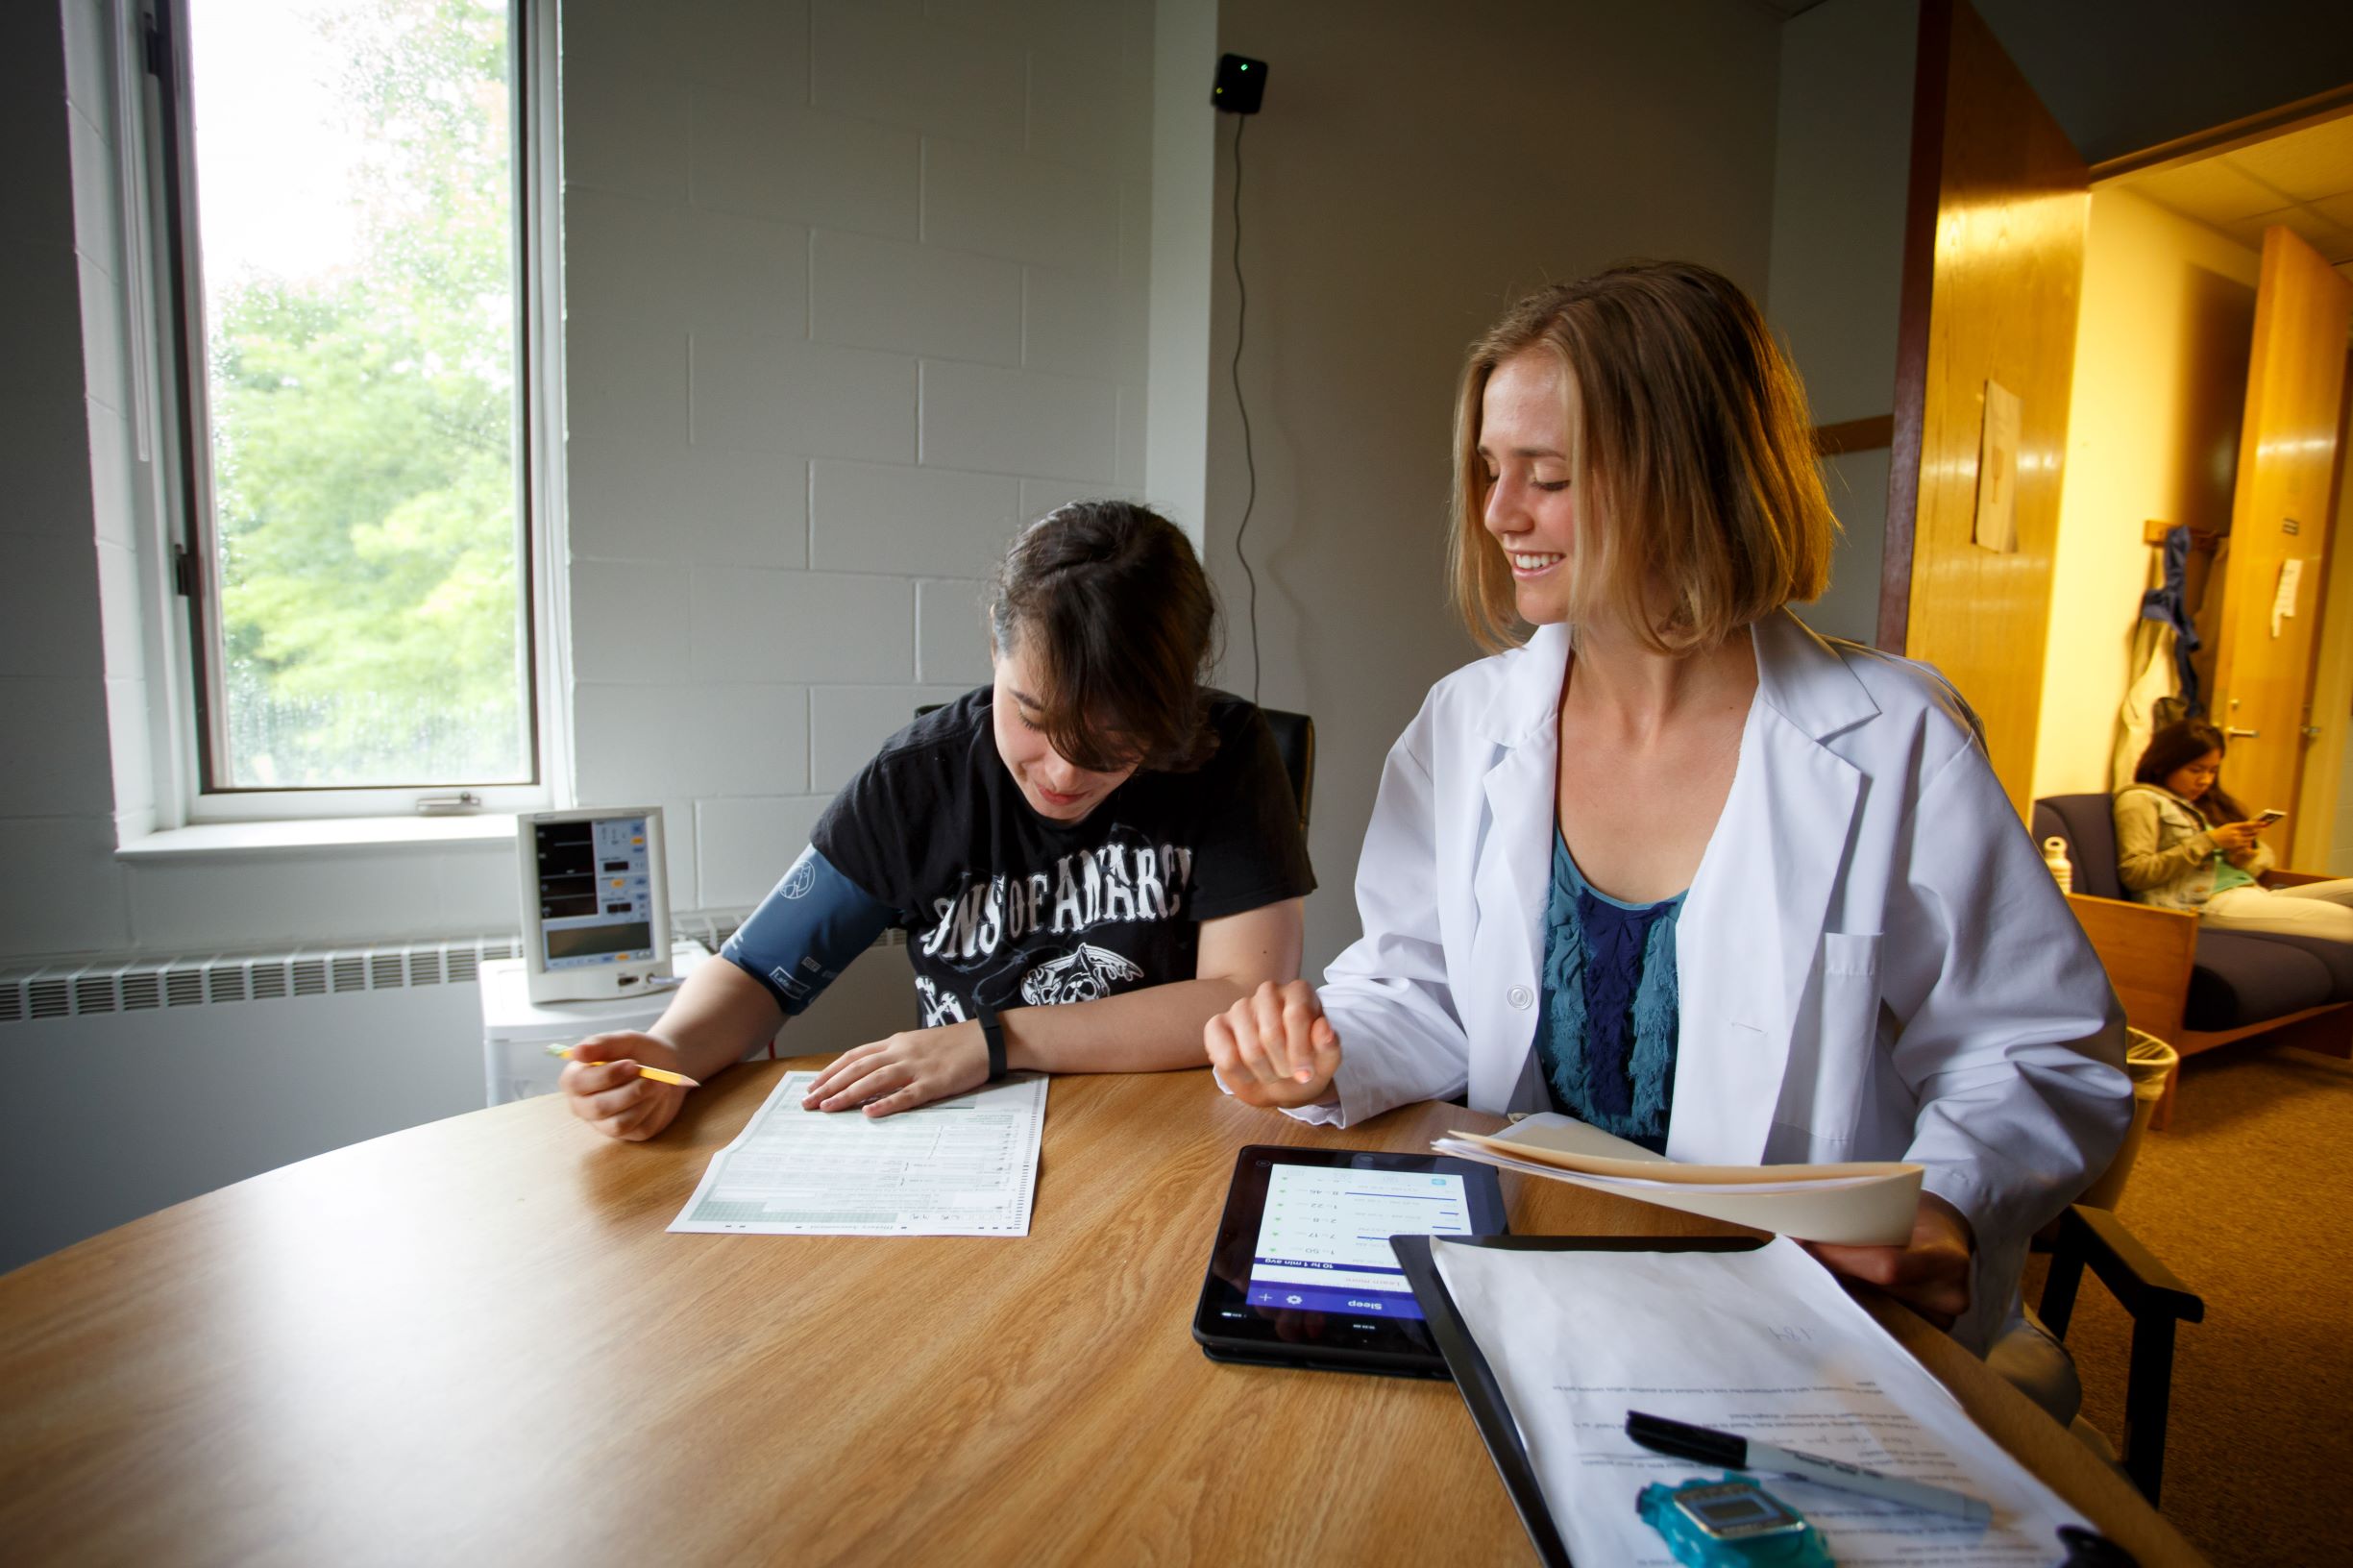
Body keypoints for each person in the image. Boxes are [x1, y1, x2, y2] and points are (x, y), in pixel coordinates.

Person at [1204, 261, 2129, 1355]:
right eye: (1490, 469)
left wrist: (1953, 1201)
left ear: (1684, 478)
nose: (1498, 512)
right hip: (1536, 1270)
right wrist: (1325, 1047)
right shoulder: (1466, 726)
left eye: (1544, 474)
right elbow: (1422, 981)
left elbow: (2031, 1046)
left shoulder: (1891, 739)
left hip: (1792, 1311)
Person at [563, 501, 1314, 1138]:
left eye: (1113, 746)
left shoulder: (1226, 754)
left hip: (1165, 1129)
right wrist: (664, 1052)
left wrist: (995, 1039)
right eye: (1031, 716)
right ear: (995, 646)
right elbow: (760, 969)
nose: (1060, 774)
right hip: (970, 1140)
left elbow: (1238, 1000)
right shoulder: (917, 779)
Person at [2117, 718, 2353, 938]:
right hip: (2203, 903)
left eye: (2212, 771)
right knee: (2346, 921)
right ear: (2163, 765)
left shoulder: (2201, 804)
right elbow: (2135, 873)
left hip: (2254, 893)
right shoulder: (2140, 800)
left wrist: (2242, 857)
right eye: (2196, 770)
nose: (2205, 781)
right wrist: (2210, 841)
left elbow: (2254, 864)